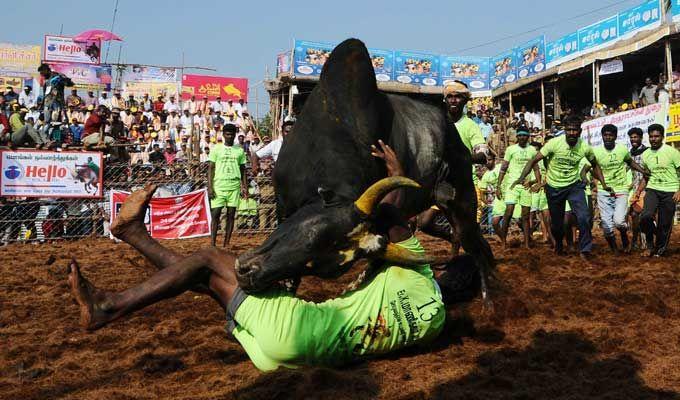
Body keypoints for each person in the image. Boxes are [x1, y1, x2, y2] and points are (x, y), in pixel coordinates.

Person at [65, 141, 480, 372]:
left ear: (442, 271)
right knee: (211, 281)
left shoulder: (418, 270)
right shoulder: (435, 324)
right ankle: (133, 232)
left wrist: (395, 167)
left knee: (210, 259)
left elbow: (389, 211)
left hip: (298, 325)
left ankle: (108, 306)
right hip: (289, 358)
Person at [512, 115, 611, 260]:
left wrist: (603, 184)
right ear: (565, 130)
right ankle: (558, 243)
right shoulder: (553, 144)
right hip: (554, 187)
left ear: (580, 131)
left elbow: (595, 165)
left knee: (584, 217)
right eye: (569, 130)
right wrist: (521, 178)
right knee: (557, 225)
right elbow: (534, 160)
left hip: (574, 186)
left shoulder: (585, 147)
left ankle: (585, 250)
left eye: (574, 130)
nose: (571, 133)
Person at [592, 124, 648, 254]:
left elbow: (630, 163)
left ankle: (635, 239)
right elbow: (591, 167)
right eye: (605, 135)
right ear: (602, 136)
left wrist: (643, 171)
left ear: (615, 136)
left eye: (610, 135)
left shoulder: (625, 150)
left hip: (627, 189)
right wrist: (597, 181)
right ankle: (615, 249)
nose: (608, 137)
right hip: (605, 191)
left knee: (622, 220)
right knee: (607, 226)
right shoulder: (596, 151)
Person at [634, 124, 680, 257]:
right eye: (651, 136)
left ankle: (660, 249)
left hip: (670, 191)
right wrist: (638, 191)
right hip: (653, 189)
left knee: (665, 223)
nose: (654, 139)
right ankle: (650, 244)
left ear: (662, 137)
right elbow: (646, 177)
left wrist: (679, 191)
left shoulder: (672, 152)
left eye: (657, 136)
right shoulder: (646, 154)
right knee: (645, 216)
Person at [496, 126, 538, 249]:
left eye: (524, 135)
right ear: (517, 137)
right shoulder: (510, 149)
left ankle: (526, 243)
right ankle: (503, 242)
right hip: (512, 185)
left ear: (528, 136)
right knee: (508, 213)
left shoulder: (532, 150)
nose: (522, 137)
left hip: (525, 186)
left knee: (525, 216)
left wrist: (536, 182)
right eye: (519, 135)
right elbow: (503, 169)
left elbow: (536, 168)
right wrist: (498, 186)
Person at [208, 124, 248, 247]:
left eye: (232, 134)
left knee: (231, 215)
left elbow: (243, 170)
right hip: (219, 185)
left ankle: (226, 244)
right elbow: (211, 169)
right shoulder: (216, 149)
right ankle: (213, 244)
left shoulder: (240, 150)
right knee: (216, 214)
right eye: (227, 134)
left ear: (235, 135)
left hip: (234, 186)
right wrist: (210, 187)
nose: (229, 136)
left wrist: (244, 186)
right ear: (223, 135)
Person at [627, 127, 648, 250]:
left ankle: (644, 243)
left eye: (635, 137)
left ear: (641, 138)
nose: (633, 139)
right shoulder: (629, 154)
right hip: (634, 189)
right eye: (631, 137)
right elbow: (625, 169)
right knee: (634, 216)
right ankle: (636, 240)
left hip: (646, 188)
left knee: (641, 215)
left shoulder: (647, 152)